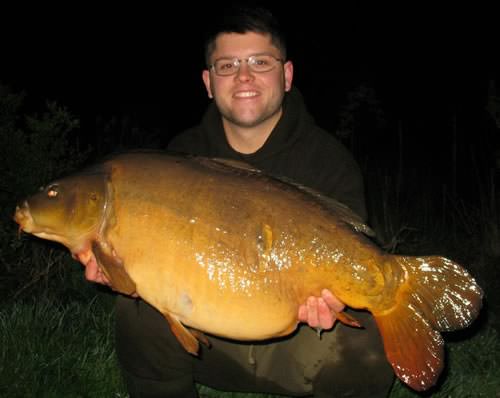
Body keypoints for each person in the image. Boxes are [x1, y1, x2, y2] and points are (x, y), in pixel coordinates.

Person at [85, 5, 394, 398]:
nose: (243, 76)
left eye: (259, 62)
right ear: (208, 82)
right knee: (138, 309)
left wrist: (329, 301)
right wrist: (118, 268)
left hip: (296, 345)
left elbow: (348, 259)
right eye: (227, 66)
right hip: (207, 342)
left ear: (286, 75)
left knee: (368, 346)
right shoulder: (182, 157)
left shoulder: (329, 162)